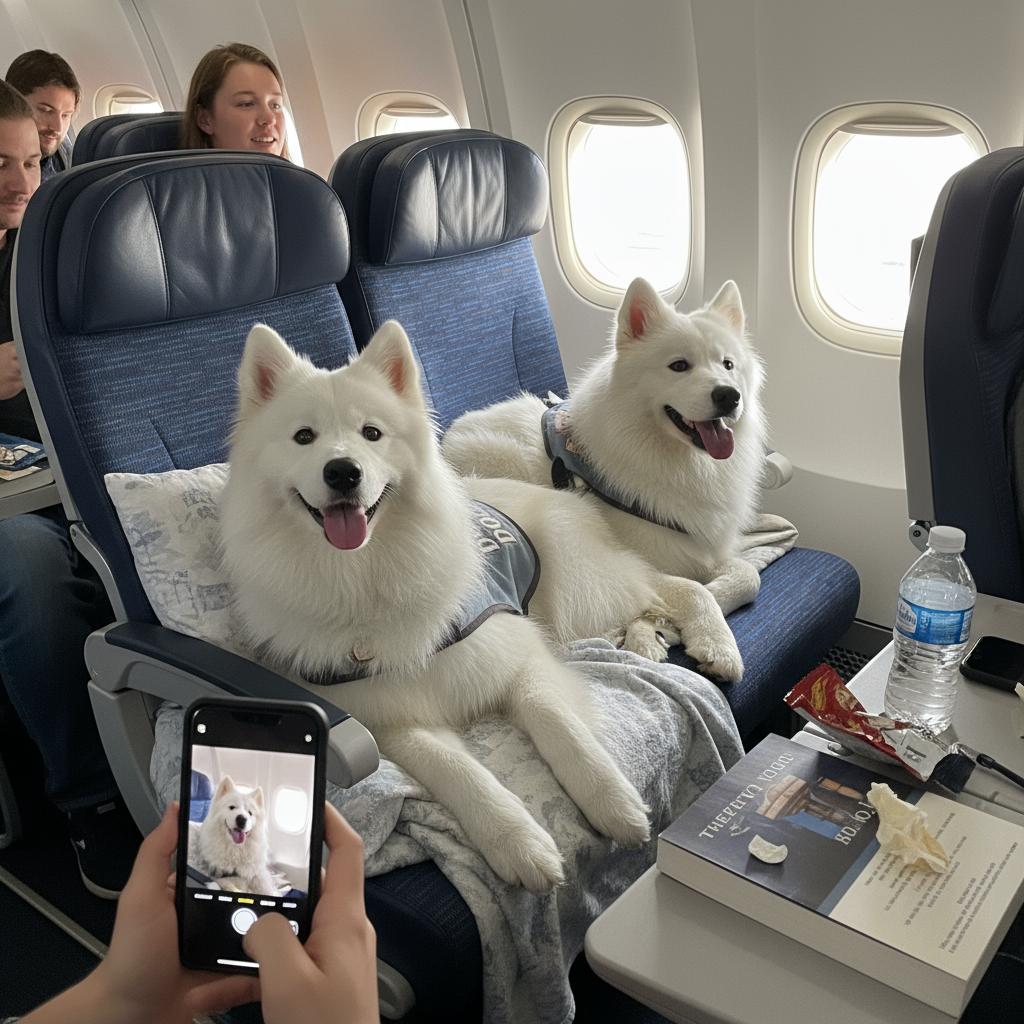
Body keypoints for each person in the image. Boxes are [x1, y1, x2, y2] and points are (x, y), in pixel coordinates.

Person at [0, 79, 136, 899]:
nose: (22, 183)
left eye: (32, 160)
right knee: (26, 565)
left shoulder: (48, 252)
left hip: (75, 470)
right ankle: (90, 799)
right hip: (17, 511)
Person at [20, 801, 379, 1024]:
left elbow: (257, 869)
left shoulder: (254, 845)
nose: (242, 817)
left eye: (250, 812)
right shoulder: (207, 838)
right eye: (234, 809)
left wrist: (120, 999)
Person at [180, 43, 289, 158]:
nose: (269, 119)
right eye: (247, 104)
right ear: (205, 120)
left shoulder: (299, 176)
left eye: (276, 105)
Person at [5, 50, 79, 182]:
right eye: (46, 110)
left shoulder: (66, 154)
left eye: (66, 115)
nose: (58, 127)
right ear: (13, 101)